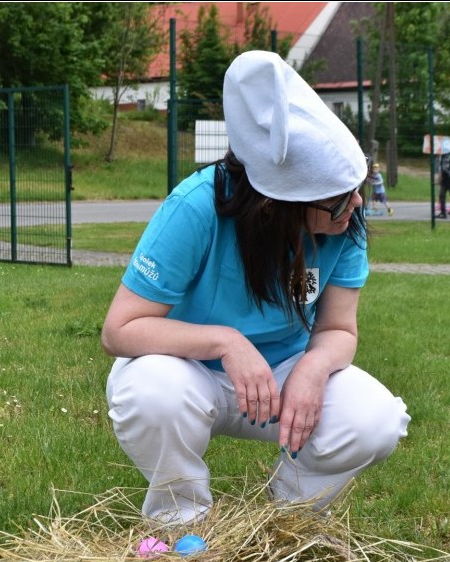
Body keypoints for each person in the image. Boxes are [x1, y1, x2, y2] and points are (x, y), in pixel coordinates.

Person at [102, 51, 411, 526]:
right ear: (276, 206)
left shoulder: (345, 220)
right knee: (150, 392)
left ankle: (286, 523)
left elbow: (339, 329)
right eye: (336, 200)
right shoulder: (196, 206)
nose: (355, 204)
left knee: (375, 419)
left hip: (281, 377)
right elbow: (120, 329)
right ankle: (181, 524)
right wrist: (224, 341)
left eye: (356, 187)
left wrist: (313, 365)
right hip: (188, 375)